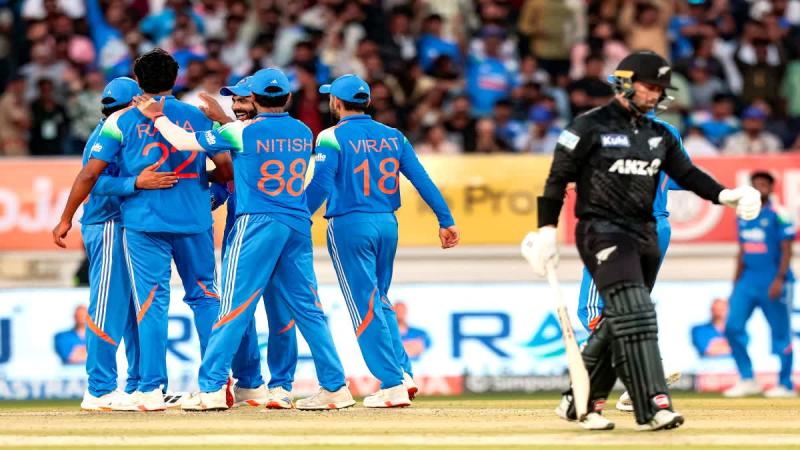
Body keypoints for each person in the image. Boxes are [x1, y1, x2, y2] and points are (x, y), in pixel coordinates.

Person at [524, 51, 761, 431]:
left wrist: (725, 195)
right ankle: (651, 403)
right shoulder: (588, 127)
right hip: (603, 230)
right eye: (649, 86)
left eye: (659, 89)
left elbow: (687, 174)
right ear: (625, 84)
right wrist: (547, 231)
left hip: (646, 231)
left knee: (623, 316)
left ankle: (580, 401)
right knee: (633, 313)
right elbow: (556, 180)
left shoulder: (661, 134)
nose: (655, 95)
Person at [135, 67, 354, 411]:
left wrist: (157, 116)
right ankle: (335, 387)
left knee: (233, 307)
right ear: (288, 97)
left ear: (254, 98)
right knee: (309, 310)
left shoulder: (240, 131)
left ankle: (211, 388)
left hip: (257, 222)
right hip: (297, 223)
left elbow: (183, 142)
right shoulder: (302, 130)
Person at [52, 48, 234, 412]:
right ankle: (214, 385)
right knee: (205, 298)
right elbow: (227, 169)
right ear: (176, 78)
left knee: (151, 304)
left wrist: (66, 217)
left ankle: (148, 388)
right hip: (193, 221)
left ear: (139, 81)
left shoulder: (121, 121)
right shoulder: (197, 116)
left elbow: (90, 175)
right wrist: (198, 184)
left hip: (143, 223)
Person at [305, 74, 459, 407]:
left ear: (336, 102)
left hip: (350, 224)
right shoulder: (394, 136)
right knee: (381, 300)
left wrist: (298, 216)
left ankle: (392, 384)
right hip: (387, 224)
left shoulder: (331, 136)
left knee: (366, 305)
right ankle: (402, 373)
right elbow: (422, 179)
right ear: (367, 102)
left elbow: (320, 184)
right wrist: (445, 219)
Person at [71, 77, 177, 411]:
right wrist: (136, 182)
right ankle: (99, 389)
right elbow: (92, 181)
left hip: (128, 224)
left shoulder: (124, 129)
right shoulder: (106, 134)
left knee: (135, 309)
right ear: (135, 103)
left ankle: (141, 386)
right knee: (108, 305)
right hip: (107, 224)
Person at [575, 108, 689, 413]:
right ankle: (641, 388)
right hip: (658, 228)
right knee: (630, 307)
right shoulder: (668, 131)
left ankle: (652, 368)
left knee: (593, 308)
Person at [202, 77, 301, 410]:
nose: (236, 106)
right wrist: (206, 196)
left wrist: (220, 119)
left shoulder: (266, 133)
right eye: (233, 101)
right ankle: (250, 383)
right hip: (240, 230)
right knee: (238, 312)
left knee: (280, 311)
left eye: (243, 100)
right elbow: (225, 182)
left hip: (267, 229)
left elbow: (250, 155)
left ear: (259, 100)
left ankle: (281, 385)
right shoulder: (234, 133)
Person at [724, 171, 796, 398]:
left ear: (772, 187)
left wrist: (779, 279)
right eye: (756, 184)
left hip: (773, 281)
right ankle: (747, 379)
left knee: (781, 333)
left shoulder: (780, 214)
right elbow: (742, 250)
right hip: (747, 281)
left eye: (764, 184)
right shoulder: (742, 214)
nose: (760, 187)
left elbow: (787, 250)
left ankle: (785, 384)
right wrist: (735, 284)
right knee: (732, 327)